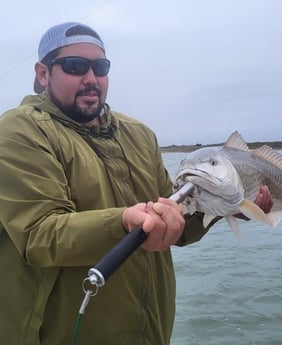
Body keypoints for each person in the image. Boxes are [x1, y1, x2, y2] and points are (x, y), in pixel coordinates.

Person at [0, 22, 273, 345]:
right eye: (75, 66)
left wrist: (222, 207)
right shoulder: (20, 130)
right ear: (43, 74)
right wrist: (123, 221)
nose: (91, 78)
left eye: (100, 67)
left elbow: (177, 222)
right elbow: (39, 235)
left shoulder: (140, 135)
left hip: (151, 332)